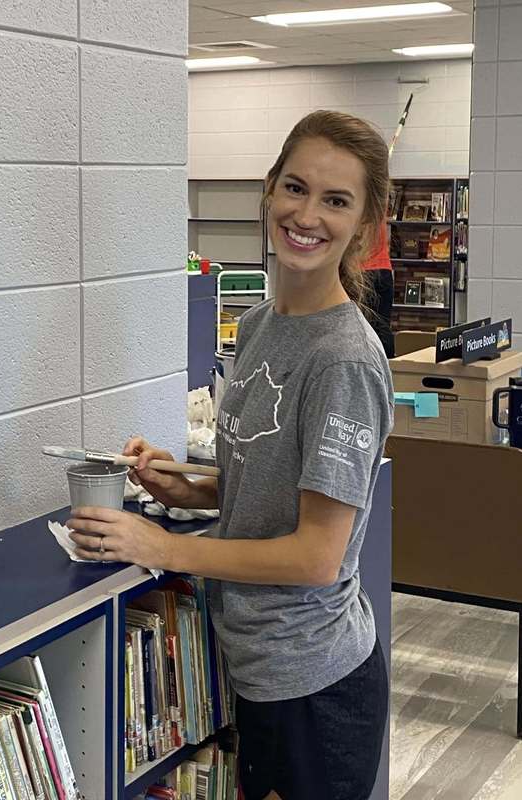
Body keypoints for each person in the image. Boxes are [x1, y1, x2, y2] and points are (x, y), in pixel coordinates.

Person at [68, 110, 394, 800]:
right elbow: (271, 481)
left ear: (363, 228)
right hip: (254, 665)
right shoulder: (256, 325)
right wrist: (189, 487)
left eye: (336, 201)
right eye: (295, 188)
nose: (307, 215)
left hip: (315, 683)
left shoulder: (345, 360)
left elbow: (315, 556)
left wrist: (165, 544)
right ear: (269, 191)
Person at [361, 222, 395, 357]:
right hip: (384, 268)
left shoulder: (357, 208)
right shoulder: (379, 205)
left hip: (363, 270)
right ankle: (390, 367)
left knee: (362, 327)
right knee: (383, 325)